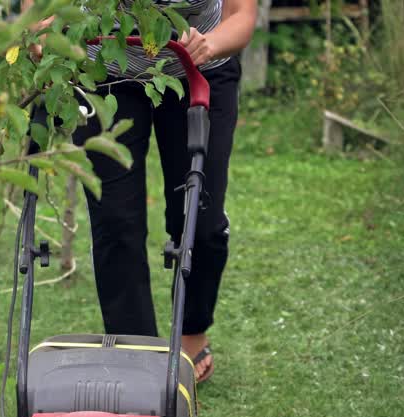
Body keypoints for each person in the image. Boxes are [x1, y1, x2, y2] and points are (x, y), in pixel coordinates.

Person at [28, 0, 258, 382]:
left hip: (198, 64)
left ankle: (191, 332)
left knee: (200, 219)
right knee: (116, 220)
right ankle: (136, 358)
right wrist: (43, 31)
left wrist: (210, 45)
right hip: (105, 68)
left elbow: (242, 16)